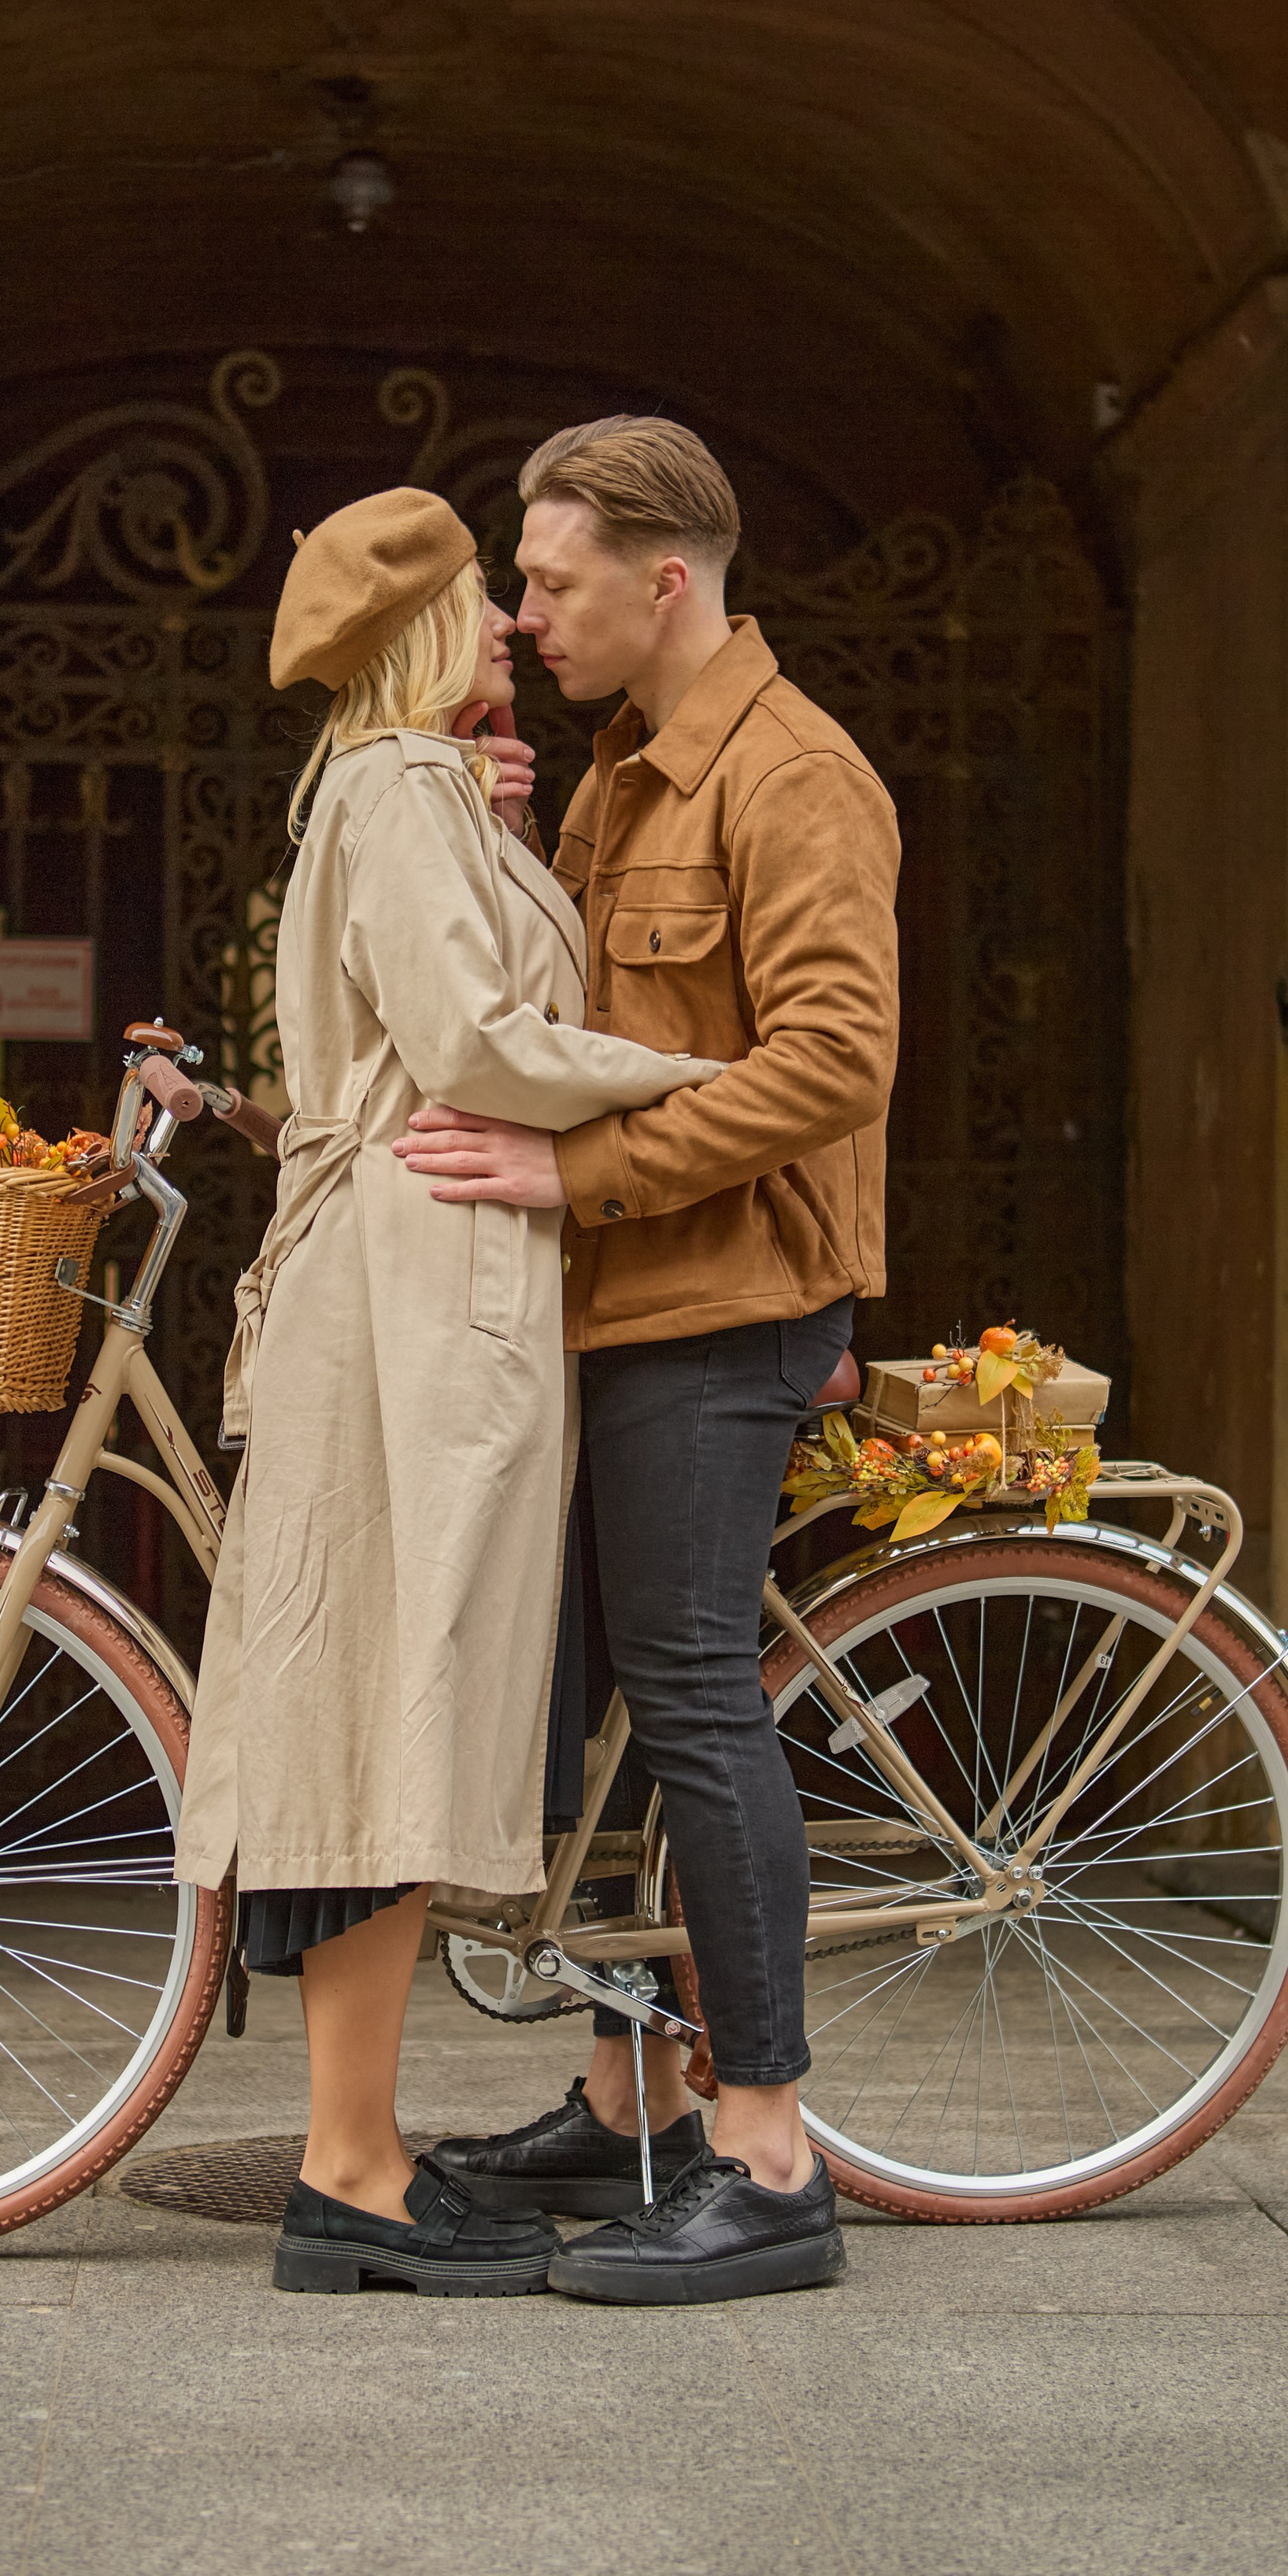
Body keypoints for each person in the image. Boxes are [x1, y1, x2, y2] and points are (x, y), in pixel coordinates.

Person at [174, 486, 722, 2299]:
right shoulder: (398, 792)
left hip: (421, 1293)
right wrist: (691, 1075)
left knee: (376, 1707)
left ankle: (366, 2154)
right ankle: (353, 2175)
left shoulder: (410, 789)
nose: (508, 626)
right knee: (378, 1713)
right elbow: (476, 1043)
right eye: (485, 600)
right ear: (421, 624)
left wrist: (491, 836)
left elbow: (454, 998)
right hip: (414, 1303)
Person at [394, 417, 901, 2306]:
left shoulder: (794, 775)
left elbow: (834, 1060)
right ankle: (629, 2106)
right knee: (613, 1723)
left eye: (547, 580)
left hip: (725, 1308)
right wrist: (511, 843)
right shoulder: (621, 779)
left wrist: (569, 1169)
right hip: (621, 1304)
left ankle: (765, 2156)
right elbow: (591, 1019)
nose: (522, 615)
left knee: (693, 1699)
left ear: (661, 580)